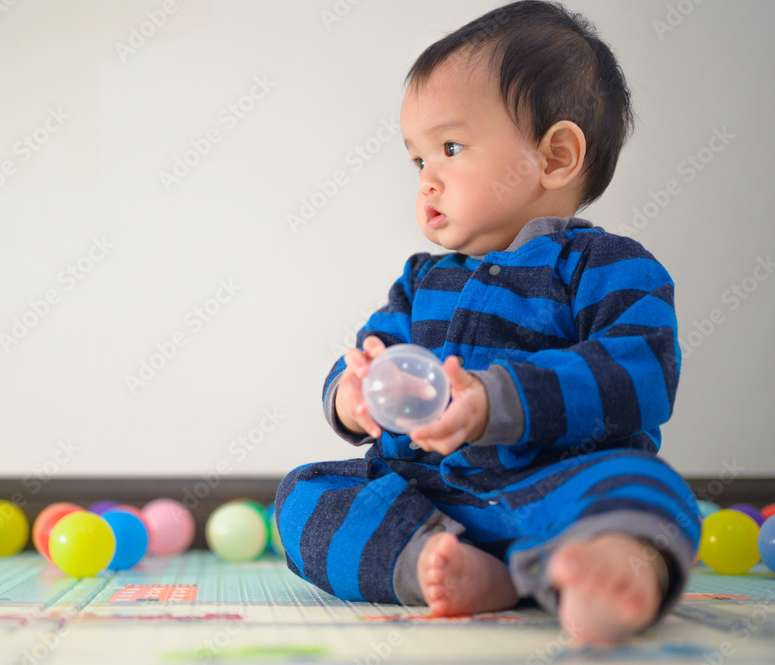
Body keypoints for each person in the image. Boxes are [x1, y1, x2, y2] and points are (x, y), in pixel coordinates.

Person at [275, 0, 701, 645]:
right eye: (418, 161)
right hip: (430, 499)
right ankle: (431, 564)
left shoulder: (608, 267)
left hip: (553, 493)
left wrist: (493, 399)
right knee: (304, 496)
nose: (428, 181)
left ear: (555, 157)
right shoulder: (423, 280)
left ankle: (599, 575)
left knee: (650, 493)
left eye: (450, 148)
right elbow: (374, 351)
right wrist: (353, 394)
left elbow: (638, 376)